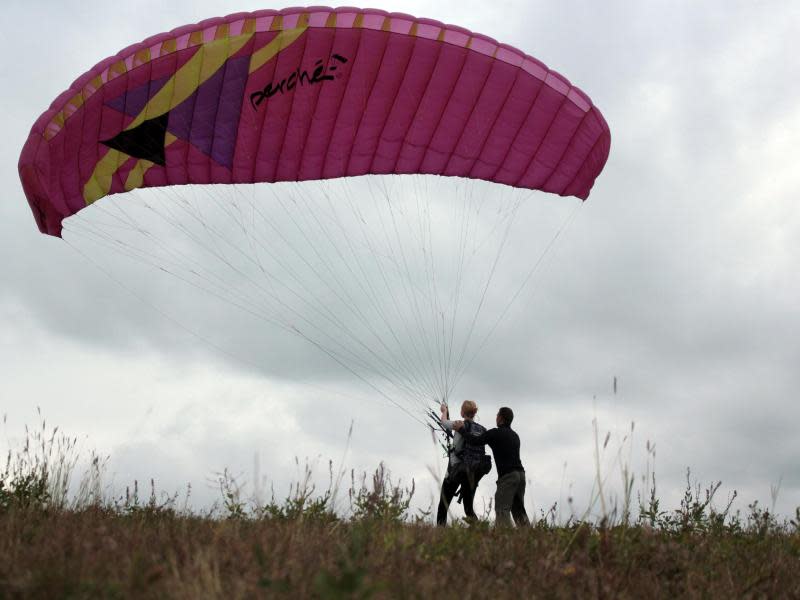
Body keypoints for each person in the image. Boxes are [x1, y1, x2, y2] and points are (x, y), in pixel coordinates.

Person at [455, 406, 529, 527]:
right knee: (519, 510)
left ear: (500, 418)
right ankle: (528, 537)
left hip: (508, 477)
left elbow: (474, 441)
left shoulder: (495, 433)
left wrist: (461, 430)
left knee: (502, 510)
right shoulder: (515, 436)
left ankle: (504, 539)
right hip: (521, 476)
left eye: (497, 415)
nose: (496, 417)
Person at [436, 399, 489, 526]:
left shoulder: (459, 424)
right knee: (468, 509)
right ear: (474, 413)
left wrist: (444, 410)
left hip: (456, 471)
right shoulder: (482, 429)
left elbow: (443, 422)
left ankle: (439, 534)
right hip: (472, 472)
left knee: (443, 505)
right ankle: (480, 532)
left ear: (462, 412)